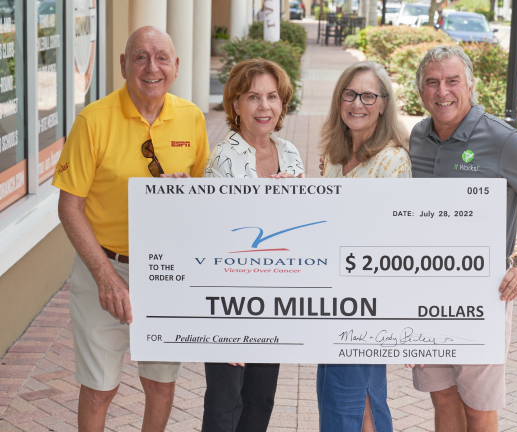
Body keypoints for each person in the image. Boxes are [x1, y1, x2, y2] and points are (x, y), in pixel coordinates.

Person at [52, 26, 210, 432]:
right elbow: (69, 206)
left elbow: (209, 199)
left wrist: (190, 193)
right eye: (140, 56)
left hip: (166, 273)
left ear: (175, 66)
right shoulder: (93, 120)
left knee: (160, 383)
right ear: (123, 65)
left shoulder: (191, 118)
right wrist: (105, 277)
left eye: (161, 57)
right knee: (99, 389)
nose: (151, 67)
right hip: (103, 268)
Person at [408, 45, 517, 431]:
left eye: (452, 81)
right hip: (428, 289)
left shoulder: (503, 140)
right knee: (442, 395)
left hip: (481, 291)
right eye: (432, 82)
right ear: (420, 91)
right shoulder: (419, 137)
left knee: (478, 406)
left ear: (470, 86)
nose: (442, 91)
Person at [202, 58, 303, 432]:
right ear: (235, 105)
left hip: (274, 298)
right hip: (230, 299)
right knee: (226, 403)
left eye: (272, 97)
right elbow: (214, 242)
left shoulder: (289, 153)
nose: (264, 107)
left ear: (283, 103)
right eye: (253, 97)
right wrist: (229, 330)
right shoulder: (224, 159)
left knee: (261, 400)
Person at [317, 61, 411, 432]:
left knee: (357, 401)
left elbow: (394, 243)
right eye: (350, 93)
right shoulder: (335, 157)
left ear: (384, 104)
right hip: (332, 300)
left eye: (369, 95)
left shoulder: (392, 159)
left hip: (366, 304)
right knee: (339, 400)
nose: (358, 103)